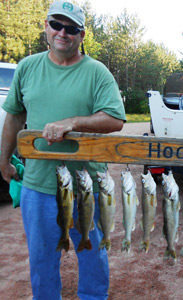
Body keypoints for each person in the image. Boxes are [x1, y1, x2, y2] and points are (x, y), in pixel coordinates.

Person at [0, 2, 126, 299]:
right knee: (41, 258)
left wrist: (73, 122)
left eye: (71, 29)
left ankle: (93, 296)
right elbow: (14, 116)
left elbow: (116, 119)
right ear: (46, 25)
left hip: (87, 185)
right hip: (38, 185)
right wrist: (3, 159)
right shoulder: (28, 67)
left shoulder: (97, 72)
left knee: (93, 253)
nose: (62, 33)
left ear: (81, 35)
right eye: (57, 25)